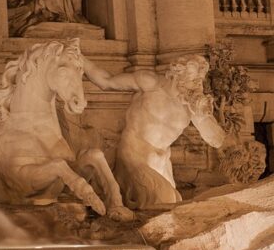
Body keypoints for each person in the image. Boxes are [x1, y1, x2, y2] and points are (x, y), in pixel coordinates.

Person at [82, 55, 227, 209]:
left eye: (199, 81)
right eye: (193, 80)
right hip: (133, 155)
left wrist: (204, 116)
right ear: (176, 75)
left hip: (162, 162)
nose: (197, 86)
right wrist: (80, 60)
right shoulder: (150, 83)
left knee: (176, 204)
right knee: (164, 200)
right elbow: (106, 82)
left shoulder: (191, 105)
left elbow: (216, 141)